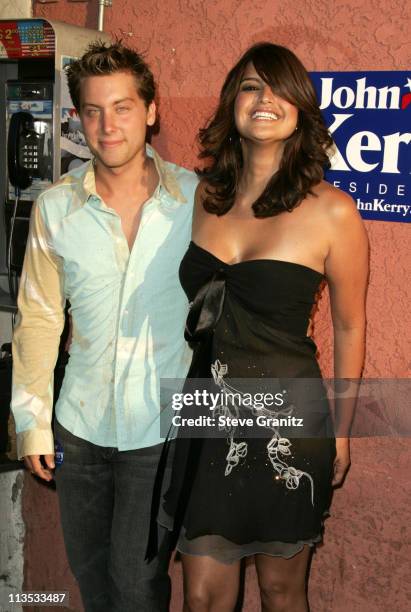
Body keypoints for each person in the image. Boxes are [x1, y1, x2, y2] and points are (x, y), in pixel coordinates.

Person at [160, 42, 369, 612]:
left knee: (281, 592)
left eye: (278, 88)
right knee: (201, 596)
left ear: (301, 108)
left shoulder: (332, 211)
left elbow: (350, 327)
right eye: (251, 86)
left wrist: (343, 431)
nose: (263, 99)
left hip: (290, 423)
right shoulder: (203, 197)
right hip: (207, 418)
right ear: (233, 102)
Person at [11, 41, 197, 611]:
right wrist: (32, 423)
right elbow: (39, 317)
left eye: (121, 107)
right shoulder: (55, 207)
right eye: (92, 110)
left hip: (159, 433)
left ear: (151, 110)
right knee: (95, 585)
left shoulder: (197, 200)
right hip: (79, 428)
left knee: (138, 588)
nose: (107, 125)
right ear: (78, 118)